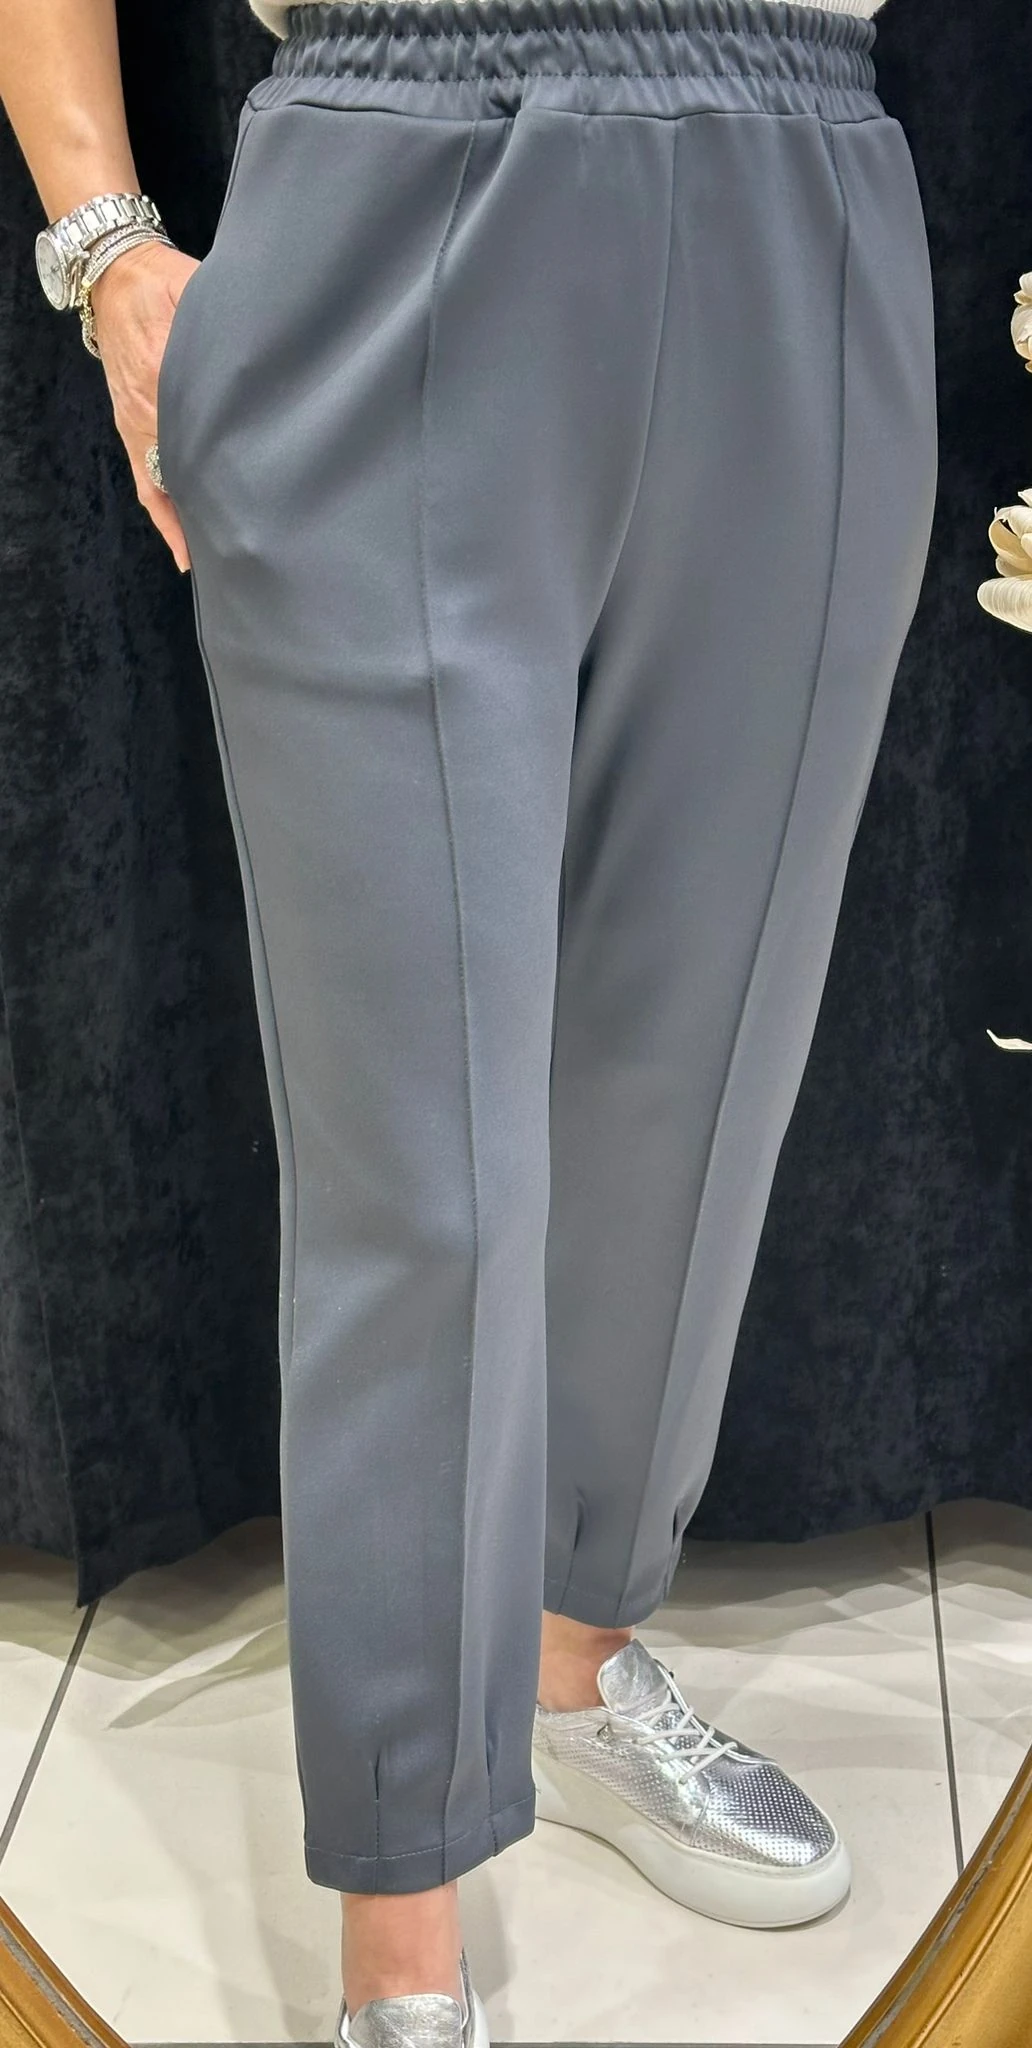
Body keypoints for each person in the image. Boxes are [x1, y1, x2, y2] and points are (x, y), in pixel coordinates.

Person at [0, 0, 937, 2042]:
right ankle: (403, 1945)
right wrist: (106, 248)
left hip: (810, 173)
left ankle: (573, 1662)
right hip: (400, 150)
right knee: (412, 1151)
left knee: (703, 1063)